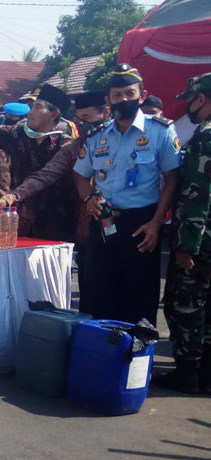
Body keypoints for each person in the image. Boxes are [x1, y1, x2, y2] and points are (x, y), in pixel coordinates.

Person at [73, 64, 182, 326]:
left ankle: (136, 363)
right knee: (100, 293)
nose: (123, 99)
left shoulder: (161, 131)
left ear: (141, 95)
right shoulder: (98, 136)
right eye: (117, 94)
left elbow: (172, 179)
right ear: (109, 99)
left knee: (139, 297)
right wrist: (88, 198)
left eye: (129, 93)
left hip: (141, 224)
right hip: (105, 222)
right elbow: (79, 174)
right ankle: (102, 358)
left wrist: (156, 223)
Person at [0, 91, 110, 312]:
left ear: (106, 114)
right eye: (80, 120)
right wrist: (12, 196)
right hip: (88, 224)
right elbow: (45, 175)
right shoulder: (75, 146)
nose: (84, 126)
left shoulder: (124, 139)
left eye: (89, 119)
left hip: (131, 222)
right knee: (90, 289)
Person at [0, 79, 78, 242]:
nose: (31, 112)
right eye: (32, 107)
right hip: (19, 221)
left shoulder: (65, 145)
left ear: (54, 114)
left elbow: (42, 178)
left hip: (54, 223)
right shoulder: (18, 136)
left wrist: (11, 196)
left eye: (38, 107)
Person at [157, 72, 211, 394]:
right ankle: (206, 374)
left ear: (201, 99)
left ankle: (188, 373)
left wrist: (185, 246)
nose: (187, 107)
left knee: (184, 304)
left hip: (201, 241)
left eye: (189, 100)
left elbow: (197, 195)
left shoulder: (205, 138)